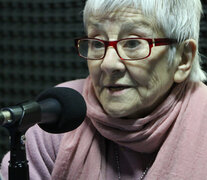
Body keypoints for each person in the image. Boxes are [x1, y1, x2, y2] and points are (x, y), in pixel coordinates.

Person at [1, 0, 207, 179]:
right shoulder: (56, 116)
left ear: (183, 59)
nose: (108, 64)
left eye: (133, 43)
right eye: (98, 43)